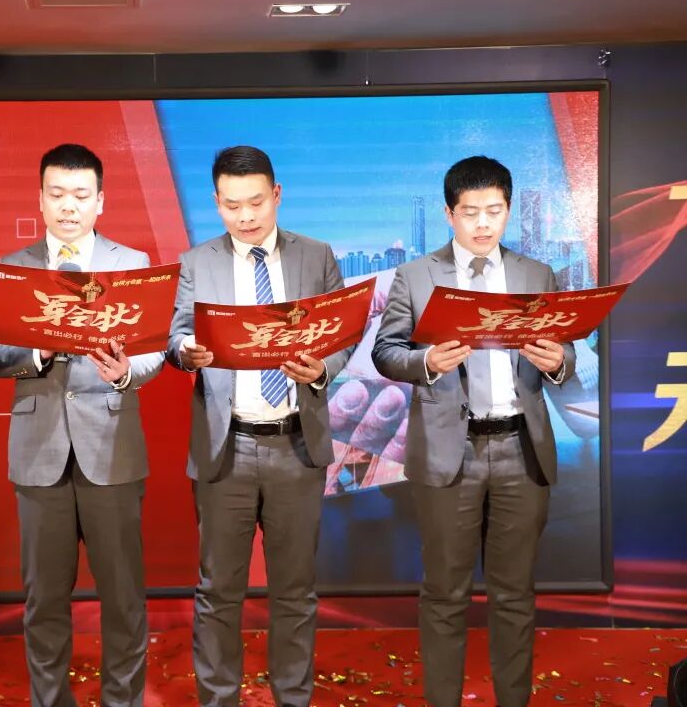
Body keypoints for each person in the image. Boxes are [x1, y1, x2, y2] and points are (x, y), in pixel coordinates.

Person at [371, 155, 576, 707]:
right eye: (470, 212)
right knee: (444, 592)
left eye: (494, 210)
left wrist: (558, 361)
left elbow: (565, 351)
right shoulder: (416, 276)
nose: (483, 223)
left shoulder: (535, 274)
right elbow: (386, 351)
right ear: (449, 214)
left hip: (520, 448)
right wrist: (426, 361)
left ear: (508, 210)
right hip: (449, 452)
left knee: (515, 593)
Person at [0, 143, 163, 707]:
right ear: (40, 199)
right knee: (44, 600)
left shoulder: (130, 264)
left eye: (80, 195)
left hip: (113, 448)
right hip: (40, 453)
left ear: (101, 201)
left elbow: (154, 350)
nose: (68, 206)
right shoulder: (15, 267)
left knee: (123, 597)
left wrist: (127, 373)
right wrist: (36, 353)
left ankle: (123, 701)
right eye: (56, 194)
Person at [166, 145, 353, 706]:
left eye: (255, 202)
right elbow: (175, 333)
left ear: (276, 195)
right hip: (226, 445)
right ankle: (218, 698)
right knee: (218, 589)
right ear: (216, 203)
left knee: (294, 590)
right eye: (231, 205)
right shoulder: (197, 261)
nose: (245, 217)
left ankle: (292, 696)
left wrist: (323, 369)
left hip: (296, 444)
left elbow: (342, 335)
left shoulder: (316, 255)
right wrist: (186, 352)